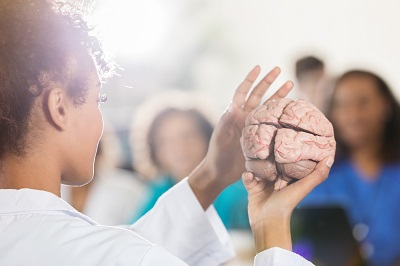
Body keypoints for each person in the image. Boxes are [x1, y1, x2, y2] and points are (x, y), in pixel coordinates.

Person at [0, 0, 332, 265]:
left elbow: (114, 247)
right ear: (59, 108)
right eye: (97, 98)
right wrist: (271, 225)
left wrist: (210, 176)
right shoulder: (118, 255)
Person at [301, 70, 400, 265]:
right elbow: (304, 244)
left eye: (362, 102)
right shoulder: (318, 174)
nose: (351, 114)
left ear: (386, 104)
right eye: (340, 105)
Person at [131, 105, 249, 229]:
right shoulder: (159, 191)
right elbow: (135, 234)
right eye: (165, 141)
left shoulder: (235, 190)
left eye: (188, 136)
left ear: (210, 138)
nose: (179, 148)